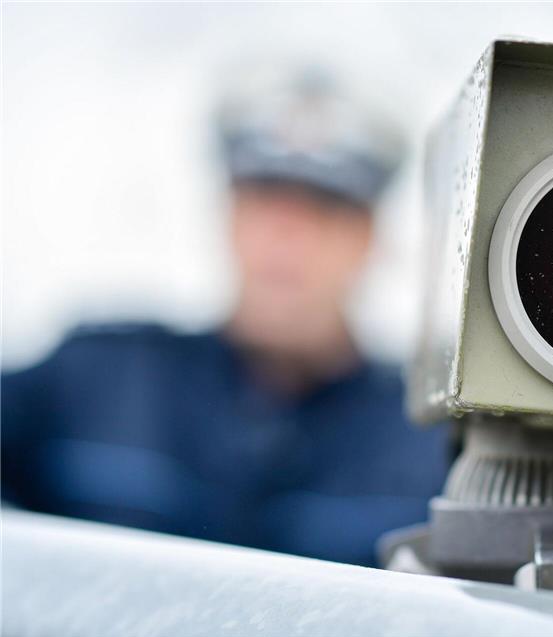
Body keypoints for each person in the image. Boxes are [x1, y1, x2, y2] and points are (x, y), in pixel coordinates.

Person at [1, 66, 450, 567]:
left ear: (369, 238)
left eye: (324, 208)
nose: (287, 236)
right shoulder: (93, 382)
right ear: (228, 217)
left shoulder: (428, 443)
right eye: (264, 200)